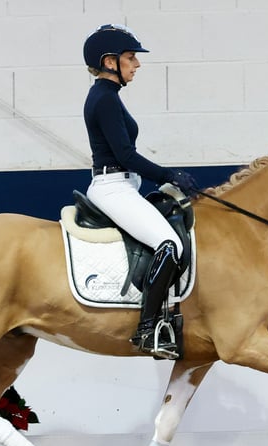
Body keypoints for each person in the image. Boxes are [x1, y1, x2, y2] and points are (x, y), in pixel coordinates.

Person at [82, 23, 198, 358]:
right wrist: (169, 174)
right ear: (109, 61)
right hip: (112, 186)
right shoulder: (103, 99)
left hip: (123, 185)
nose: (137, 64)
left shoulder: (108, 97)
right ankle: (148, 330)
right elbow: (125, 155)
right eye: (130, 57)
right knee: (170, 244)